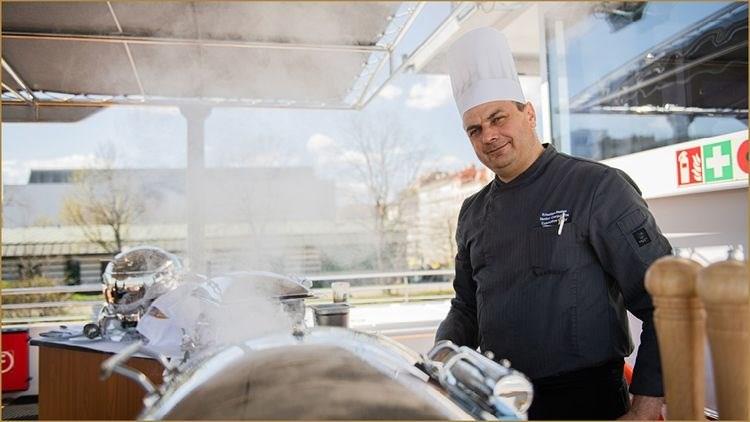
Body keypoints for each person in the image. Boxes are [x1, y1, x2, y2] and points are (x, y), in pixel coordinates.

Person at [435, 27, 670, 420]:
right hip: (499, 401)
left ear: (529, 114)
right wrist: (436, 361)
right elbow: (465, 308)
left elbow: (665, 301)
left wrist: (645, 408)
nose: (489, 135)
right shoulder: (472, 212)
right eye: (474, 129)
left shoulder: (597, 187)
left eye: (498, 118)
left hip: (588, 402)